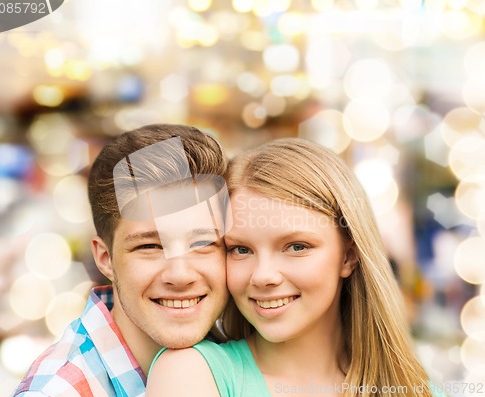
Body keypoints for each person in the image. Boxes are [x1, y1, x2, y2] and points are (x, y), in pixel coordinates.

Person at [147, 138, 444, 397]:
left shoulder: (419, 390)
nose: (263, 276)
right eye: (241, 249)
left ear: (348, 256)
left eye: (296, 247)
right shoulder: (192, 374)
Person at [12, 124, 230, 396]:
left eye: (202, 243)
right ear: (105, 259)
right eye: (150, 246)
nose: (180, 274)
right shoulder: (59, 390)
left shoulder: (236, 355)